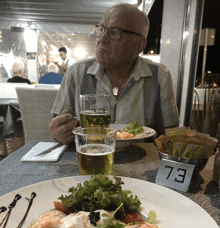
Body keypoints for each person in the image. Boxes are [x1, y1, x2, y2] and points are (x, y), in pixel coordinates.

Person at [50, 3, 180, 145]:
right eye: (101, 30)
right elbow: (58, 129)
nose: (102, 39)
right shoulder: (76, 72)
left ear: (140, 45)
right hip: (90, 160)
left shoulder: (159, 75)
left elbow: (170, 135)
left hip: (142, 162)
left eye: (114, 32)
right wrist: (59, 133)